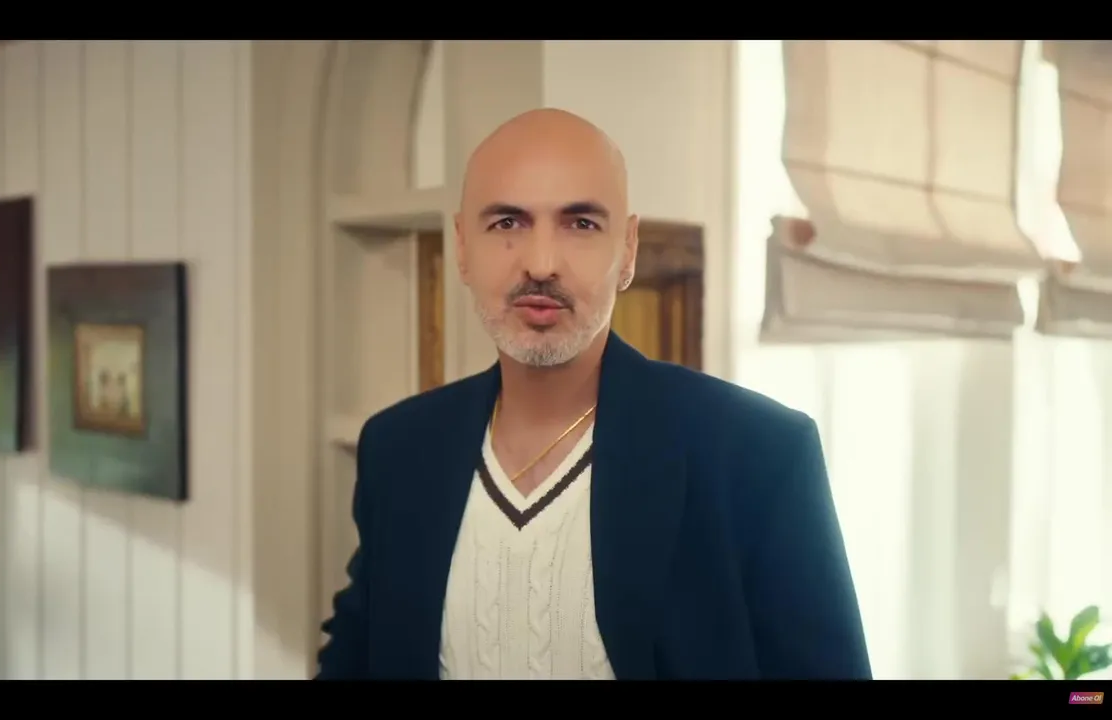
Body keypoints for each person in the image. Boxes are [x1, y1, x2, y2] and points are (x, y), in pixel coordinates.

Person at [316, 108, 871, 680]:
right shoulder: (401, 450)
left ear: (628, 249)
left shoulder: (757, 455)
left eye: (580, 224)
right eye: (506, 223)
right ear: (461, 247)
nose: (541, 264)